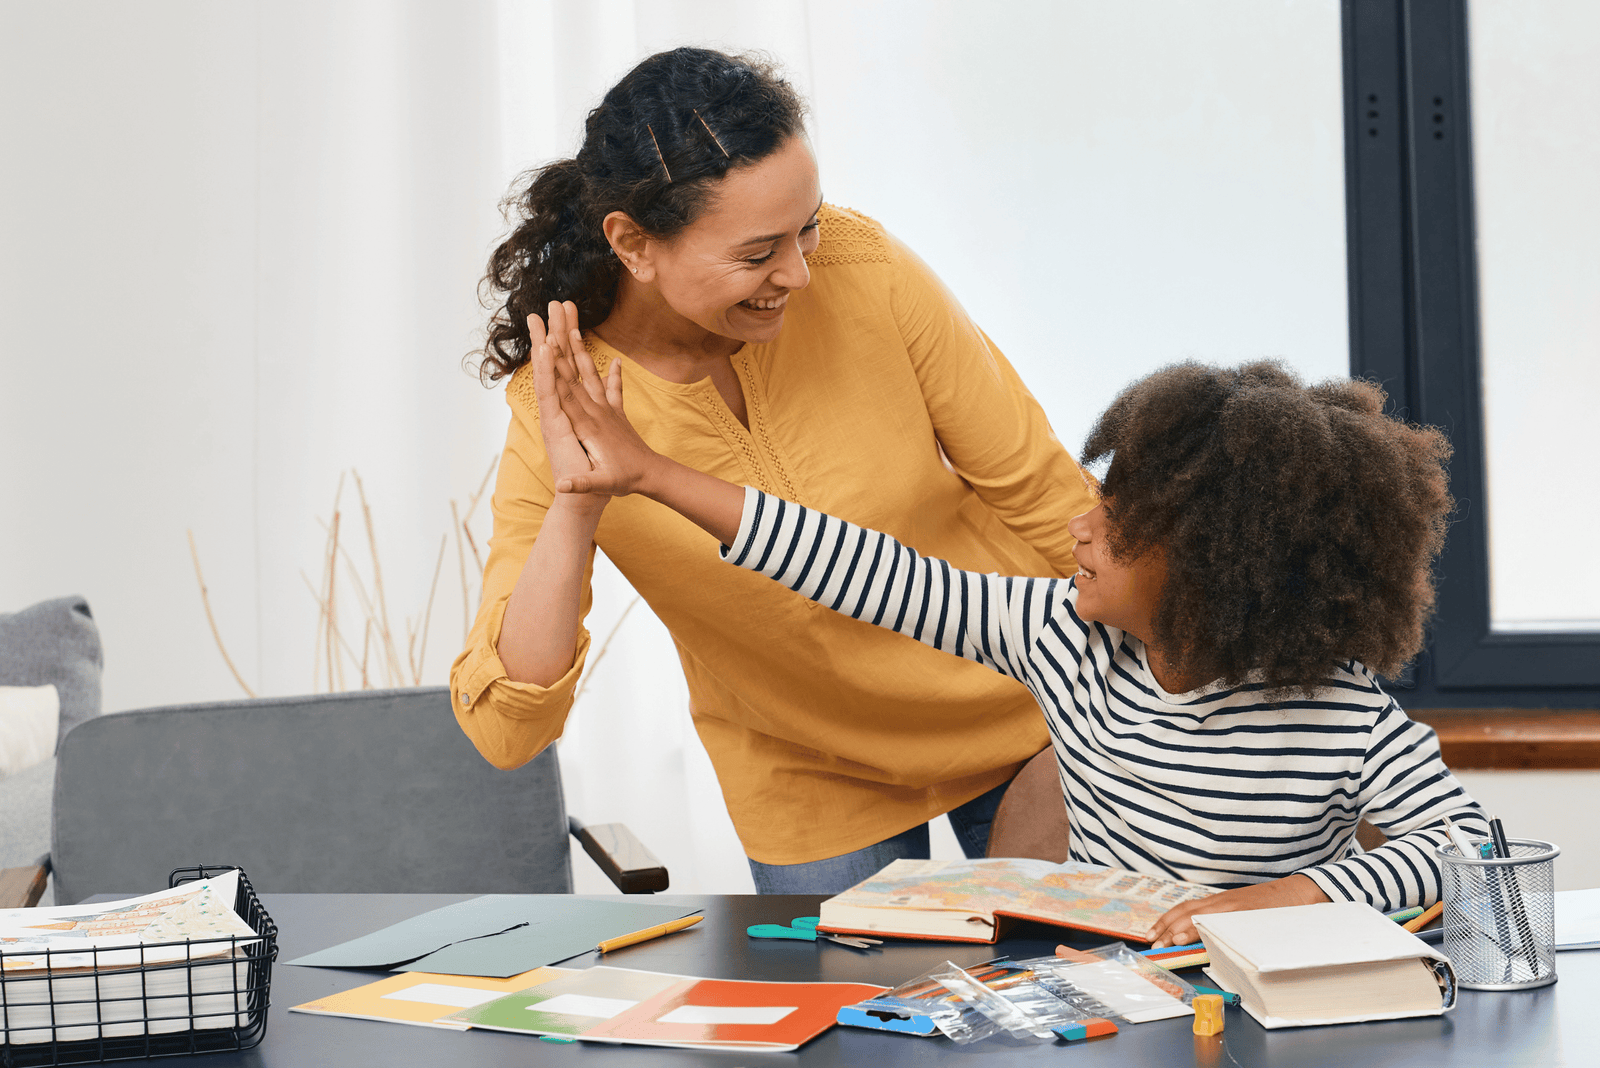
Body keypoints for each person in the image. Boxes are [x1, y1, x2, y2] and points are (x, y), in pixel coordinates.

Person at [534, 347, 1489, 946]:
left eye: (1119, 519)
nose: (1082, 524)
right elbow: (864, 569)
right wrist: (650, 473)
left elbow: (1469, 845)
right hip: (1107, 1006)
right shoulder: (1064, 638)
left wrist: (1291, 895)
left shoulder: (1338, 711)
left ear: (1215, 563)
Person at [450, 46, 1097, 893]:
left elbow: (1045, 493)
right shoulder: (565, 403)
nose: (798, 273)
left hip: (1026, 708)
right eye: (757, 253)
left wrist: (1177, 685)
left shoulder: (863, 269)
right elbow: (508, 729)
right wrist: (577, 504)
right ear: (633, 243)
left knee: (1084, 972)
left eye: (808, 227)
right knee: (847, 989)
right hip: (809, 774)